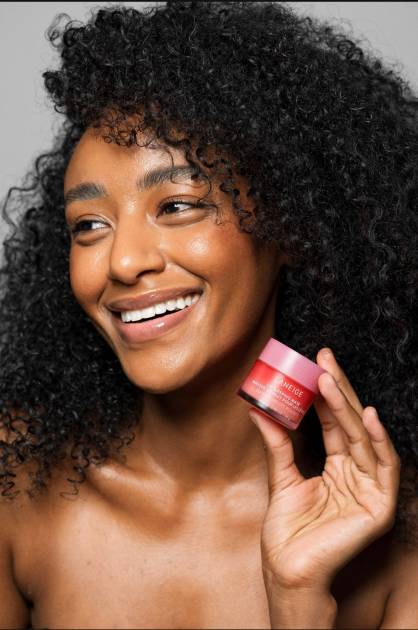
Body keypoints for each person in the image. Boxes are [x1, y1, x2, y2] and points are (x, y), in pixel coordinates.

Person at [0, 2, 417, 628]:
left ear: (292, 229)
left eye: (176, 206)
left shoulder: (397, 539)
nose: (123, 261)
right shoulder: (16, 482)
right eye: (89, 225)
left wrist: (297, 596)